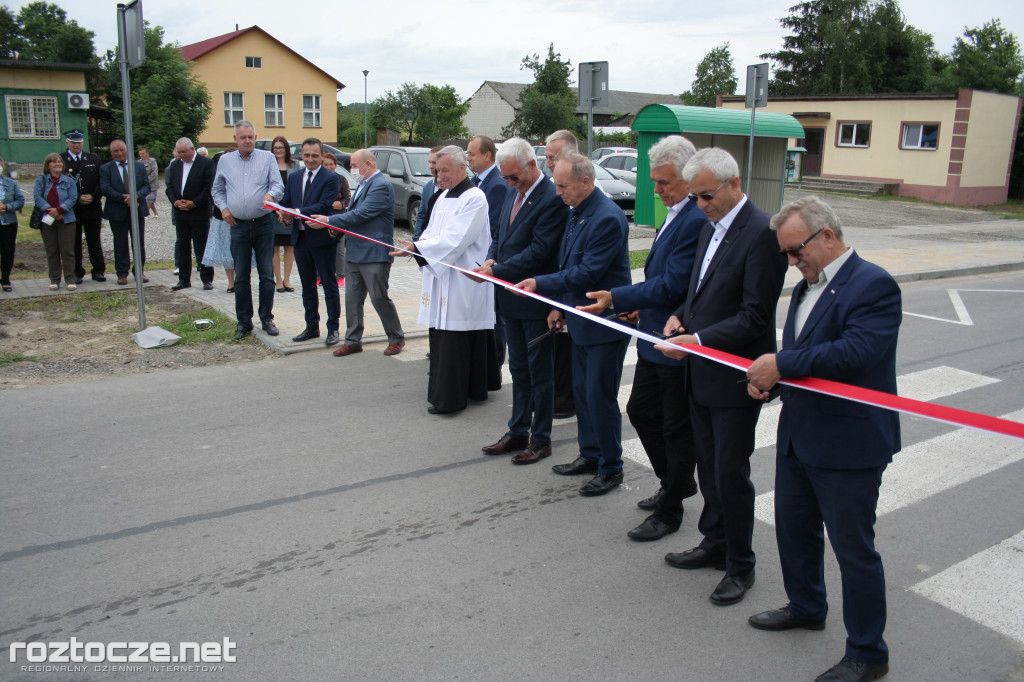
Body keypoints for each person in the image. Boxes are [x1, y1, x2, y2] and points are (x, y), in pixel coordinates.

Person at [746, 197, 901, 682]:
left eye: (796, 252)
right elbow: (805, 359)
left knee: (854, 551)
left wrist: (782, 364)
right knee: (795, 532)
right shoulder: (805, 288)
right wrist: (771, 384)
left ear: (827, 236)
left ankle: (868, 652)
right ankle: (807, 605)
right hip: (800, 437)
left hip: (849, 445)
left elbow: (857, 352)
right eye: (787, 255)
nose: (792, 263)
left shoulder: (872, 284)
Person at [656, 147, 787, 606]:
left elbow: (754, 318)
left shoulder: (761, 233)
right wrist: (678, 317)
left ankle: (741, 565)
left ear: (734, 184)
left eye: (707, 196)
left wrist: (699, 339)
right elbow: (697, 293)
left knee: (731, 474)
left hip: (733, 379)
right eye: (694, 198)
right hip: (700, 371)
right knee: (709, 470)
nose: (700, 205)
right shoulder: (708, 227)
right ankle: (714, 543)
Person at [579, 135, 706, 539]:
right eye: (653, 181)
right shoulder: (676, 212)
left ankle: (671, 509)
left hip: (675, 340)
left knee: (673, 427)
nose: (656, 190)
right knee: (642, 412)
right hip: (653, 330)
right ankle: (677, 482)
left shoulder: (695, 219)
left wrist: (618, 296)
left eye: (664, 182)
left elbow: (673, 284)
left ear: (688, 179)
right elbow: (659, 277)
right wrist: (637, 307)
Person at [515, 153, 631, 497]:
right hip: (580, 319)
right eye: (556, 185)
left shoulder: (606, 217)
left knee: (600, 397)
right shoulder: (576, 211)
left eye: (563, 186)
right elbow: (569, 263)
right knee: (582, 394)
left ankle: (611, 467)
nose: (558, 192)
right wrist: (561, 308)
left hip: (604, 325)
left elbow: (588, 272)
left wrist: (540, 283)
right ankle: (591, 455)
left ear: (585, 181)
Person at [472, 138, 567, 464]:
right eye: (506, 178)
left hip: (534, 299)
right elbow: (499, 238)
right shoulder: (513, 191)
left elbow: (541, 251)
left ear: (532, 165)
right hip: (508, 297)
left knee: (540, 373)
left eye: (514, 177)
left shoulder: (551, 198)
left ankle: (540, 439)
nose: (509, 183)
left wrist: (496, 269)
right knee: (518, 369)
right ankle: (517, 431)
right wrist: (490, 261)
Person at [393, 145, 500, 414]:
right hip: (443, 276)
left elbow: (456, 239)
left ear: (462, 168)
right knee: (446, 337)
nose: (438, 176)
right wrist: (416, 245)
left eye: (444, 171)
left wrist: (419, 249)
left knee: (459, 338)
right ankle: (466, 389)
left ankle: (450, 398)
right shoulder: (442, 196)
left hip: (463, 279)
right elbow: (431, 233)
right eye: (437, 170)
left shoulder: (474, 197)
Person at [313, 149, 405, 357]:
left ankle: (396, 337)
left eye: (354, 165)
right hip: (355, 252)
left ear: (369, 164)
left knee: (379, 298)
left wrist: (329, 220)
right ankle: (353, 340)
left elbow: (362, 215)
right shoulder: (365, 184)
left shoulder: (380, 185)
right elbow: (354, 215)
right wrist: (336, 225)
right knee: (352, 299)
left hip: (373, 253)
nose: (351, 169)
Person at [211, 120, 285, 340]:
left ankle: (267, 318)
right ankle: (244, 322)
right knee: (241, 276)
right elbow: (217, 189)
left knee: (266, 274)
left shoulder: (267, 158)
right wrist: (223, 208)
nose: (247, 141)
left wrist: (270, 196)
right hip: (238, 225)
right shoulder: (225, 161)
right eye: (243, 137)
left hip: (263, 223)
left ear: (255, 137)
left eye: (251, 137)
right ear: (235, 139)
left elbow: (278, 185)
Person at [278, 138, 342, 346]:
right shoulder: (295, 177)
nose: (311, 160)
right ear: (301, 156)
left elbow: (324, 205)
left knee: (328, 283)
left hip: (322, 239)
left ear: (322, 155)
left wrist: (296, 212)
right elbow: (287, 202)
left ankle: (333, 328)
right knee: (307, 285)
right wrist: (284, 214)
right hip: (300, 237)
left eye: (315, 155)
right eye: (306, 155)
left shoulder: (330, 178)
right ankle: (311, 326)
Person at [541, 129, 579, 419]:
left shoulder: (583, 195)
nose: (548, 163)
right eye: (547, 157)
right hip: (562, 282)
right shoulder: (562, 191)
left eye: (552, 158)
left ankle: (567, 399)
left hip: (579, 289)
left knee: (569, 350)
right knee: (560, 345)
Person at [468, 135, 513, 366]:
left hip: (491, 260)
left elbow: (494, 226)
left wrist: (490, 260)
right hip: (482, 261)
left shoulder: (496, 184)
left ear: (487, 155)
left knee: (495, 315)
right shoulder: (477, 181)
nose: (468, 158)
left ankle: (494, 363)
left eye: (472, 154)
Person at [166, 137, 215, 291]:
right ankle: (184, 279)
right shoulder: (175, 166)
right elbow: (169, 187)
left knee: (202, 246)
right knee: (183, 246)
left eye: (184, 152)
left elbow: (209, 187)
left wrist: (194, 202)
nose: (181, 155)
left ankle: (207, 278)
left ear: (192, 149)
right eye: (179, 152)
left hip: (198, 212)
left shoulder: (205, 163)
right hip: (181, 212)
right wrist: (175, 201)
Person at [99, 140, 150, 286]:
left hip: (137, 209)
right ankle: (122, 273)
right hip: (117, 211)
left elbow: (147, 186)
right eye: (116, 151)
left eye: (122, 150)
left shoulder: (138, 166)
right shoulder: (106, 169)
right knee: (120, 243)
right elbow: (105, 188)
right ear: (111, 153)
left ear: (127, 150)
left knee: (138, 243)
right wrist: (124, 198)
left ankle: (139, 271)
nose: (119, 153)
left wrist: (136, 196)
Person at [60, 128, 105, 282]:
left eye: (79, 142)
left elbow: (101, 182)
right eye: (73, 142)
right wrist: (77, 198)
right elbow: (60, 185)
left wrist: (93, 196)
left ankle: (98, 270)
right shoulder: (61, 160)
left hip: (92, 207)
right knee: (74, 242)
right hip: (73, 208)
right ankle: (77, 271)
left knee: (94, 241)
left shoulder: (93, 159)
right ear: (67, 142)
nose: (76, 145)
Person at [33, 153, 79, 290]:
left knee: (67, 250)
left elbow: (73, 198)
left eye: (59, 162)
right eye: (54, 162)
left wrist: (59, 210)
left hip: (67, 219)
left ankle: (70, 278)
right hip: (48, 219)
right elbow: (37, 197)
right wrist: (50, 210)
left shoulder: (69, 181)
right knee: (52, 250)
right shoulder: (41, 181)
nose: (57, 164)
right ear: (48, 165)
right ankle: (54, 279)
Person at [270, 136, 301, 293]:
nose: (278, 150)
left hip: (289, 211)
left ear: (287, 149)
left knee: (290, 246)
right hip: (273, 210)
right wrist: (276, 209)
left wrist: (289, 210)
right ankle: (278, 280)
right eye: (276, 148)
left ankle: (287, 279)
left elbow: (297, 188)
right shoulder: (269, 165)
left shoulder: (294, 165)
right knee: (275, 247)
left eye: (281, 147)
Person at [322, 152, 350, 286]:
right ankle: (320, 275)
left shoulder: (341, 179)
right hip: (322, 218)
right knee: (322, 248)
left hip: (338, 217)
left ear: (335, 165)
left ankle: (340, 275)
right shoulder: (319, 179)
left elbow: (347, 199)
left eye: (330, 164)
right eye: (325, 164)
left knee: (339, 248)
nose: (328, 167)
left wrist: (340, 204)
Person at [0, 155, 26, 292]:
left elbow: (20, 201)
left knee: (7, 252)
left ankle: (5, 279)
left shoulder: (11, 183)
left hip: (8, 222)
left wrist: (7, 207)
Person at [412, 146, 444, 240]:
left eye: (434, 162)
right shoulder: (428, 186)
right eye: (429, 162)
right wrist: (417, 239)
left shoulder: (451, 188)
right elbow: (422, 215)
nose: (431, 166)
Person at [139, 146, 159, 217]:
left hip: (152, 185)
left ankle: (145, 214)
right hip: (142, 186)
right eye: (140, 154)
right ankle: (156, 213)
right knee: (146, 199)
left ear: (147, 153)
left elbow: (154, 173)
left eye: (143, 153)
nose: (141, 155)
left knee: (149, 200)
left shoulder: (153, 161)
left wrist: (146, 181)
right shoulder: (138, 162)